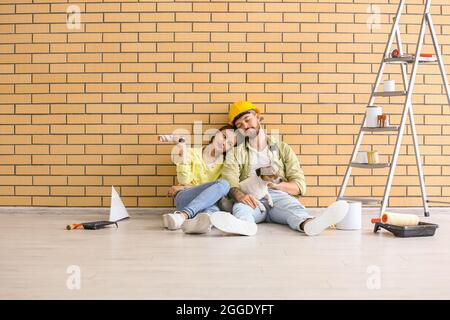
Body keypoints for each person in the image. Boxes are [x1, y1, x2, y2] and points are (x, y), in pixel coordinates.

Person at [211, 101, 349, 236]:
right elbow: (229, 181)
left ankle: (309, 224)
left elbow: (300, 186)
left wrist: (276, 186)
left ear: (258, 117)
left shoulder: (283, 148)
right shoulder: (235, 153)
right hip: (251, 197)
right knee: (240, 209)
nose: (245, 126)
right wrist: (241, 196)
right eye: (240, 125)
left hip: (278, 197)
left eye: (247, 119)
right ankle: (246, 226)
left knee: (294, 209)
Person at [163, 125, 237, 234]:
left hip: (207, 204)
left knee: (215, 205)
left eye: (230, 144)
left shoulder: (226, 164)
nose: (224, 143)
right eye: (224, 136)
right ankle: (185, 216)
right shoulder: (190, 152)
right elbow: (184, 180)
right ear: (216, 134)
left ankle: (188, 221)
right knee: (222, 185)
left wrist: (184, 186)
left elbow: (218, 192)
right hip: (185, 198)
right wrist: (183, 152)